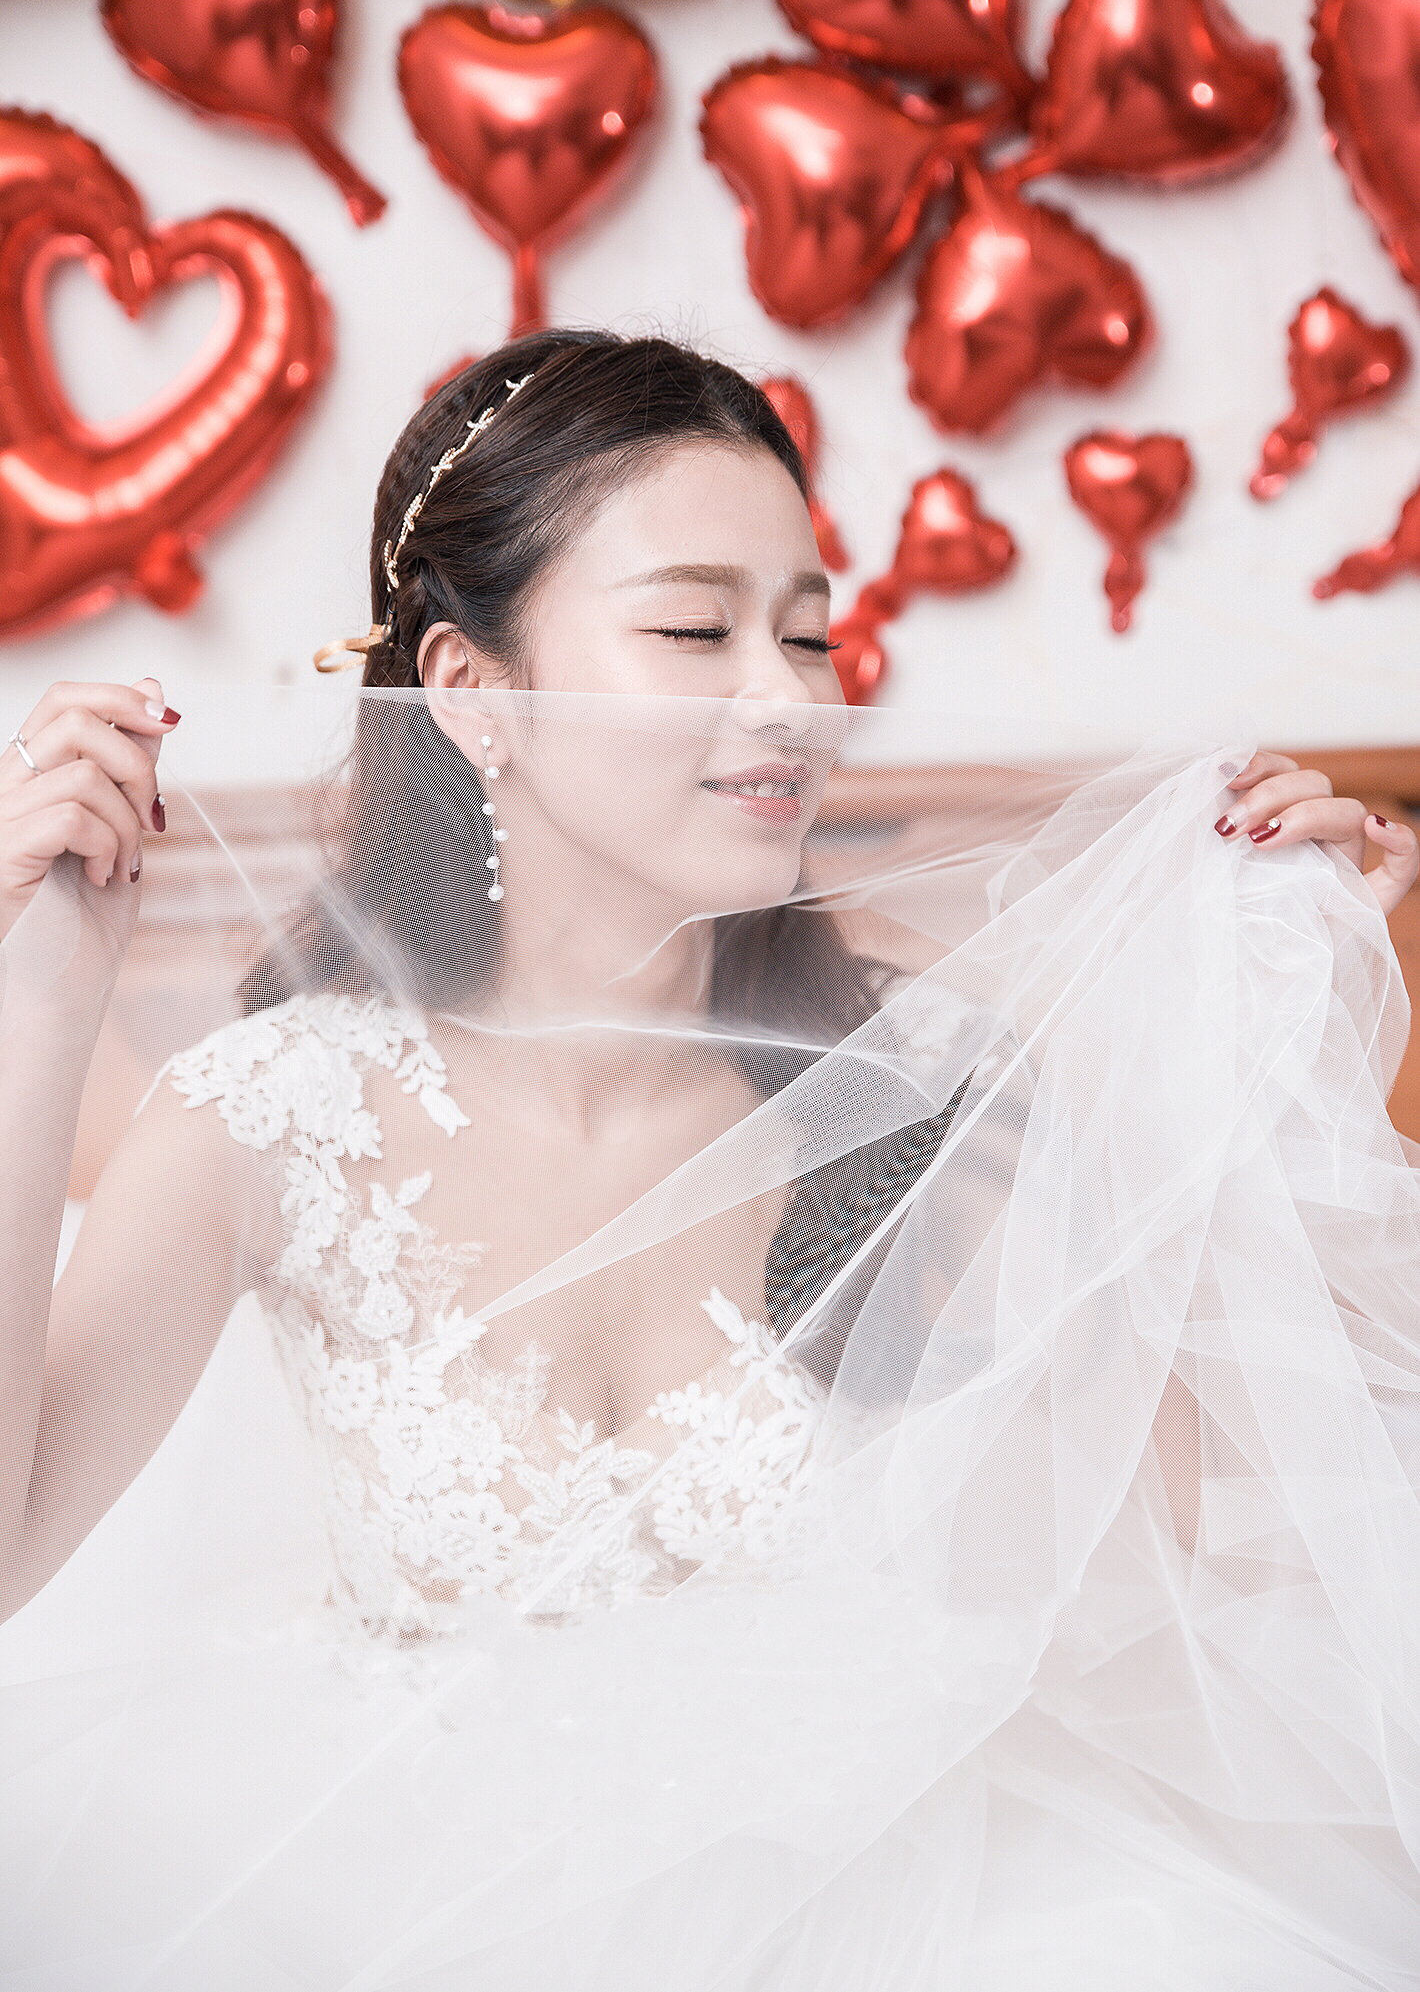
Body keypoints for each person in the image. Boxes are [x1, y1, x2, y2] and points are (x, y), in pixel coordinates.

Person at [1, 331, 1418, 1989]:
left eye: (809, 632)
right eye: (696, 629)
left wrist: (1279, 1063)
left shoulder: (915, 1076)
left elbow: (1247, 1544)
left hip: (888, 1902)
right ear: (470, 691)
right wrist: (46, 992)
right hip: (383, 1898)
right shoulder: (275, 1110)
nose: (792, 699)